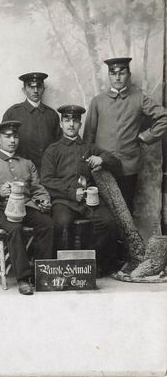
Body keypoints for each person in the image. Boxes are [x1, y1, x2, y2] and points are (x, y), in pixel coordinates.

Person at [41, 105, 122, 276]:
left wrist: (101, 159)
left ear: (80, 124)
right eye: (67, 120)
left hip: (88, 201)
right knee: (62, 224)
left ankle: (93, 265)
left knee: (109, 223)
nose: (71, 124)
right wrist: (71, 192)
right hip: (63, 201)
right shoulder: (53, 150)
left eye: (75, 121)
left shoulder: (89, 148)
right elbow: (46, 181)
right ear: (61, 124)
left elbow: (116, 163)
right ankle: (64, 269)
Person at [0, 120, 54, 295]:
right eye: (8, 136)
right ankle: (23, 278)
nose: (13, 140)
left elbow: (37, 188)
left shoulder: (27, 163)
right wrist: (0, 192)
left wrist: (43, 200)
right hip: (3, 210)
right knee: (14, 228)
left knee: (48, 224)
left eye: (16, 136)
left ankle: (40, 272)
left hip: (27, 207)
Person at [83, 57, 167, 212]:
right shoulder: (98, 101)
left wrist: (146, 136)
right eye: (113, 73)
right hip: (101, 166)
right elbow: (89, 135)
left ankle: (124, 237)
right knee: (102, 212)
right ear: (108, 76)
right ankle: (108, 238)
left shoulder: (139, 98)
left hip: (128, 167)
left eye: (121, 73)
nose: (117, 77)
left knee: (126, 211)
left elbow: (164, 117)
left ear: (128, 74)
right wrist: (86, 165)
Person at [2, 72, 61, 173]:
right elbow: (3, 145)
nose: (35, 90)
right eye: (31, 87)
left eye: (39, 86)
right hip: (20, 171)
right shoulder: (13, 113)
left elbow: (59, 146)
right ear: (24, 90)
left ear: (44, 89)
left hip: (48, 172)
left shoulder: (52, 115)